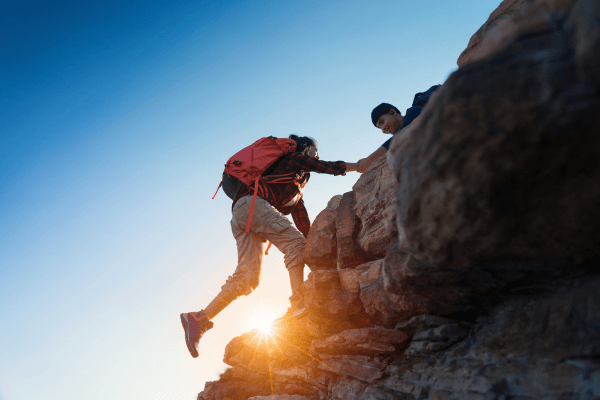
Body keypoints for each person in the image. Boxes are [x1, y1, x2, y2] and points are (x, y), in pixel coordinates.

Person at [180, 135, 358, 358]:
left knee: (248, 278)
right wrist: (358, 166)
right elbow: (326, 167)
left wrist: (316, 251)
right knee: (295, 244)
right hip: (252, 205)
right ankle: (298, 306)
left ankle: (198, 319)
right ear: (305, 149)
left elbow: (304, 224)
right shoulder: (294, 160)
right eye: (314, 150)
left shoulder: (293, 188)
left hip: (242, 212)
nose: (316, 155)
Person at [357, 85, 440, 173]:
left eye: (382, 122)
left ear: (392, 112)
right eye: (380, 128)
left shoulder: (414, 111)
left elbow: (402, 134)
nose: (383, 129)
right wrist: (350, 166)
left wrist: (370, 159)